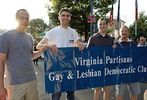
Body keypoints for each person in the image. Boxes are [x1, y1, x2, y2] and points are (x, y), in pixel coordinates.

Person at [36, 8, 84, 100]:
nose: (65, 17)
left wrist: (80, 45)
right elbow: (38, 46)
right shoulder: (52, 32)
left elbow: (78, 43)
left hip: (70, 68)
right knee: (56, 95)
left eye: (67, 15)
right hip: (56, 68)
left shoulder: (73, 32)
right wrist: (49, 44)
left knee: (70, 95)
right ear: (59, 17)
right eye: (63, 15)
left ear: (70, 18)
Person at [0, 9, 48, 100]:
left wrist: (42, 50)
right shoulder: (5, 36)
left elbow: (30, 56)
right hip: (15, 85)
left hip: (32, 81)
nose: (25, 20)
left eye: (27, 18)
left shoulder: (29, 37)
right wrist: (1, 87)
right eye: (21, 18)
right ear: (16, 19)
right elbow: (1, 62)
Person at [86, 18, 114, 100]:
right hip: (96, 69)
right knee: (97, 90)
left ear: (106, 25)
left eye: (104, 24)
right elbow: (87, 53)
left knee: (107, 90)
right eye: (100, 24)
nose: (102, 26)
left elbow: (112, 54)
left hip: (108, 69)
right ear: (98, 26)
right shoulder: (92, 38)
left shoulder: (110, 39)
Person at [114, 25, 141, 100]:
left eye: (125, 31)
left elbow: (138, 57)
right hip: (121, 73)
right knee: (119, 94)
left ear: (128, 32)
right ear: (120, 33)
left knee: (134, 93)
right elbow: (112, 59)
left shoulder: (133, 44)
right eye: (122, 31)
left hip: (133, 72)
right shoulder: (116, 45)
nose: (124, 32)